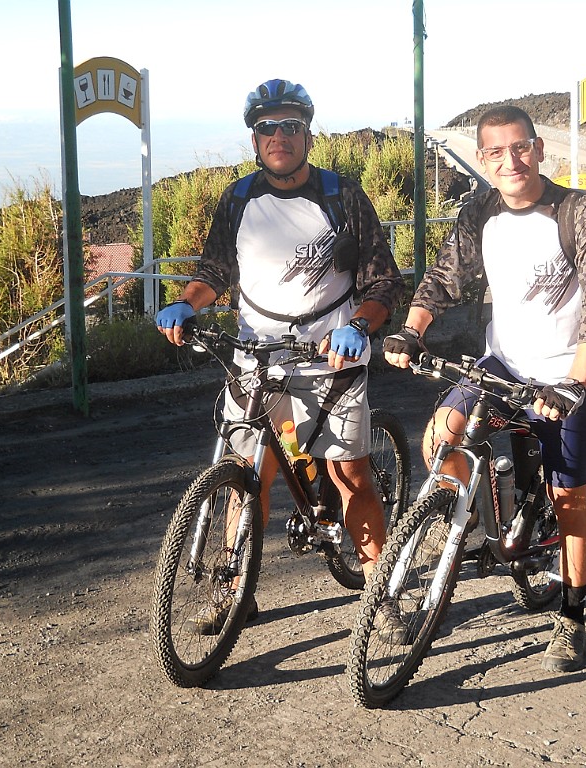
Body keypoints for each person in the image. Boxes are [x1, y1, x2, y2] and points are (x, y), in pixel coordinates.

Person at [383, 105, 586, 672]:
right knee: (439, 440)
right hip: (504, 364)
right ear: (483, 160)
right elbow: (445, 278)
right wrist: (410, 331)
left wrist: (573, 383)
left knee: (569, 501)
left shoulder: (582, 215)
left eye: (520, 148)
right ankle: (464, 515)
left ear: (539, 149)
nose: (510, 160)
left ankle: (572, 617)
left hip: (565, 373)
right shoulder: (479, 214)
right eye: (496, 152)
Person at [156, 78, 404, 634]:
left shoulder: (343, 195)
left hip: (330, 358)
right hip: (257, 357)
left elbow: (383, 281)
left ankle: (379, 592)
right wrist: (184, 305)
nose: (278, 136)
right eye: (266, 127)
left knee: (351, 475)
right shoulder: (239, 199)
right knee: (248, 474)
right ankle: (235, 590)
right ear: (254, 140)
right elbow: (216, 273)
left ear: (308, 136)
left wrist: (360, 326)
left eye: (290, 125)